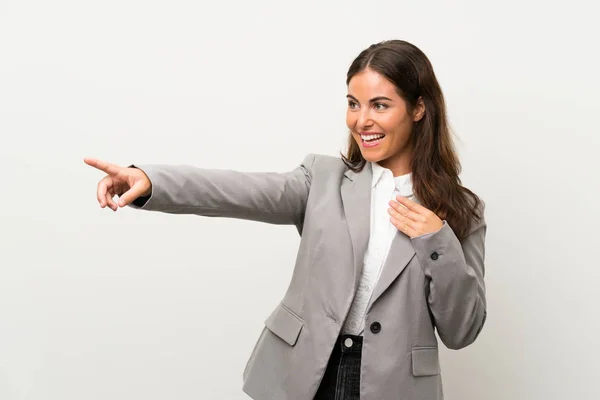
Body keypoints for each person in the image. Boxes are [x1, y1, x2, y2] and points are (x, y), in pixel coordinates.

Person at [84, 39, 486, 400]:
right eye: (352, 103)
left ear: (418, 108)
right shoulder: (323, 179)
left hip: (394, 385)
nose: (361, 120)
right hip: (308, 372)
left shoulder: (461, 209)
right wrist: (153, 181)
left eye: (379, 105)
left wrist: (437, 241)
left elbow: (462, 330)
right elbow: (238, 191)